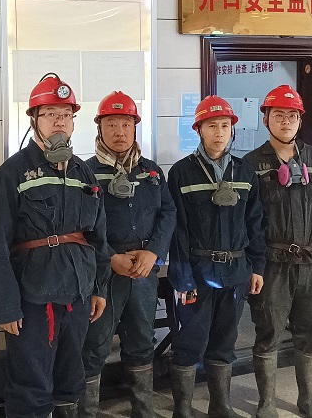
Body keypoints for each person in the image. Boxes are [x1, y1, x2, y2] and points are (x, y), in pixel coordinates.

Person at [0, 73, 111, 418]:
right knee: (31, 384)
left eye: (66, 114)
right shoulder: (12, 173)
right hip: (33, 299)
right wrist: (6, 306)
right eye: (51, 114)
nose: (60, 121)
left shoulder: (83, 173)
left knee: (71, 379)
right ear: (34, 119)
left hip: (78, 294)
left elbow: (98, 236)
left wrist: (99, 288)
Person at [242, 85, 312, 418]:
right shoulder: (250, 164)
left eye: (292, 115)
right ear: (266, 119)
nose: (285, 121)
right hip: (272, 265)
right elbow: (246, 222)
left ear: (300, 120)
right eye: (278, 115)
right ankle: (266, 404)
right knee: (268, 333)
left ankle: (309, 401)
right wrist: (253, 266)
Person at [166, 95, 265, 418]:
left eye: (225, 125)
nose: (219, 132)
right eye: (212, 126)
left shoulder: (245, 171)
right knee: (188, 341)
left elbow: (255, 223)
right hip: (196, 272)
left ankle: (220, 406)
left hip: (235, 272)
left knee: (225, 341)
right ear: (199, 129)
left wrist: (256, 267)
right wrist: (182, 278)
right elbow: (177, 231)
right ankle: (183, 408)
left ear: (232, 129)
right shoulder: (181, 173)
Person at [80, 91, 176, 418]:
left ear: (135, 127)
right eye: (111, 124)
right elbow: (81, 228)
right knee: (95, 344)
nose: (119, 132)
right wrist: (109, 258)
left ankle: (143, 410)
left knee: (142, 341)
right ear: (99, 128)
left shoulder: (152, 173)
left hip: (144, 271)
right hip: (104, 274)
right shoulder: (85, 173)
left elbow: (168, 213)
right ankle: (88, 413)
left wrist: (154, 253)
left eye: (126, 124)